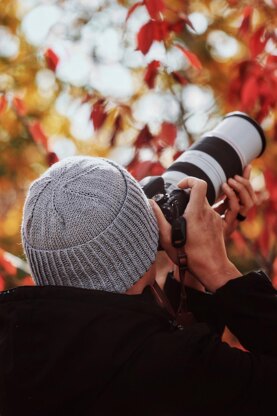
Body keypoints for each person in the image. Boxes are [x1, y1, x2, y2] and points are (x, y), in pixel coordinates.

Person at [0, 156, 276, 416]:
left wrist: (189, 273)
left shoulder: (17, 353)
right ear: (143, 238)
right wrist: (218, 269)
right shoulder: (169, 368)